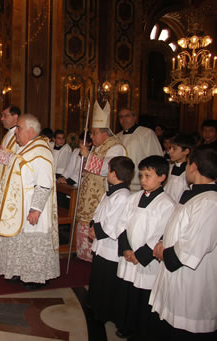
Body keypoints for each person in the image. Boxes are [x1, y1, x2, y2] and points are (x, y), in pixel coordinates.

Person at [150, 145, 217, 341]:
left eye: (187, 164)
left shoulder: (210, 202)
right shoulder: (194, 193)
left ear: (193, 167)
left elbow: (194, 245)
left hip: (191, 279)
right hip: (174, 271)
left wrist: (165, 254)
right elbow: (177, 224)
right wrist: (163, 240)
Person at [0, 114, 60, 289]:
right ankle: (18, 270)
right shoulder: (27, 148)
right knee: (19, 240)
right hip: (18, 206)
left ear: (30, 131)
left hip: (31, 205)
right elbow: (16, 162)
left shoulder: (41, 151)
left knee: (32, 240)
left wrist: (35, 209)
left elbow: (44, 184)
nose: (16, 132)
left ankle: (35, 277)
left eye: (19, 128)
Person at [115, 155, 175, 340]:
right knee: (128, 295)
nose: (143, 180)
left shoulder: (167, 204)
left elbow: (159, 234)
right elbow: (122, 224)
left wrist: (139, 256)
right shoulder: (134, 198)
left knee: (143, 300)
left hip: (145, 260)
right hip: (129, 255)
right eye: (141, 175)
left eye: (148, 175)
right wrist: (125, 249)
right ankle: (126, 326)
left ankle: (140, 332)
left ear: (162, 177)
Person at [75, 101, 126, 262]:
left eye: (94, 133)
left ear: (105, 133)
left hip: (102, 198)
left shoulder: (116, 147)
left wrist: (88, 155)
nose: (91, 136)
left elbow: (108, 168)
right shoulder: (99, 146)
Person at [87, 156, 134, 324]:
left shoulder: (123, 196)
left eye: (108, 169)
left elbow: (113, 224)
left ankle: (103, 312)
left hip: (111, 248)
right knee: (98, 278)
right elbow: (98, 211)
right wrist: (92, 226)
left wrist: (96, 231)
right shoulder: (112, 191)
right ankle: (93, 305)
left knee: (107, 282)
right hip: (101, 243)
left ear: (113, 173)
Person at [0, 105, 20, 258]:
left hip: (11, 188)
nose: (1, 118)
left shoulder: (19, 136)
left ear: (15, 117)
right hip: (2, 185)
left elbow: (19, 162)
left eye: (4, 115)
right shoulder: (8, 135)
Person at [116, 108, 163, 191]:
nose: (124, 119)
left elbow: (156, 157)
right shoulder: (117, 137)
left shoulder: (146, 133)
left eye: (127, 116)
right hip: (121, 184)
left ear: (134, 117)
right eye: (121, 117)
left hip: (141, 184)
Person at [164, 133, 194, 202]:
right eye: (169, 148)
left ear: (186, 151)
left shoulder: (190, 172)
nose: (169, 152)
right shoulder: (169, 168)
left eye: (174, 149)